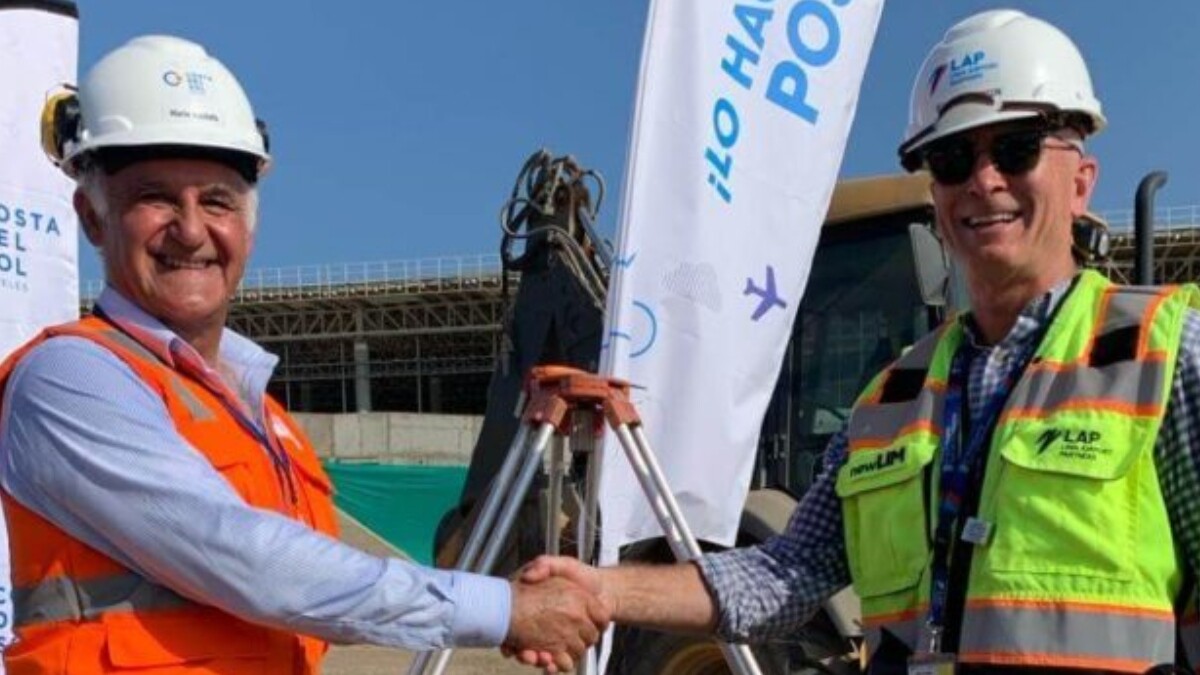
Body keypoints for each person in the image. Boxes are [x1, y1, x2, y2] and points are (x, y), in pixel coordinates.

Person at [516, 9, 1200, 674]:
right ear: (935, 192)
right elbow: (785, 572)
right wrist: (605, 589)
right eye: (953, 157)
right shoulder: (889, 405)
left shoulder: (1165, 356)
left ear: (1082, 182)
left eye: (1016, 146)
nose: (983, 180)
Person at [0, 35, 607, 674]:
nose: (190, 229)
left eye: (216, 200)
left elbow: (323, 594)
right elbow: (252, 562)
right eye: (154, 197)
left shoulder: (268, 421)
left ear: (250, 224)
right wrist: (505, 608)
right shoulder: (70, 379)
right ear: (92, 218)